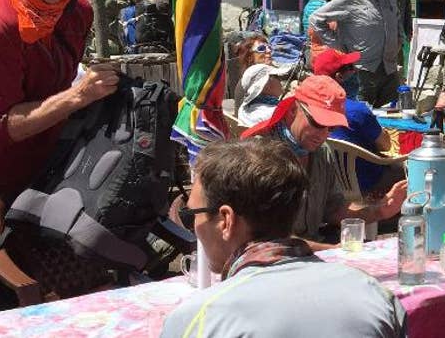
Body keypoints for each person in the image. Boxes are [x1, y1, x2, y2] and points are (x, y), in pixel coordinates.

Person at [160, 139, 407, 337]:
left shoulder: (199, 319)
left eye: (190, 213)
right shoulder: (373, 294)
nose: (193, 224)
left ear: (226, 220)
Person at [0, 0, 121, 206]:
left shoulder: (77, 9)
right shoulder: (3, 23)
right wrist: (79, 95)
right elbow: (3, 128)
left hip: (50, 168)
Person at [242, 75, 407, 249]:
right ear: (292, 111)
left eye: (332, 128)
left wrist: (380, 210)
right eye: (318, 123)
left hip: (313, 250)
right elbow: (269, 239)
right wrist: (333, 251)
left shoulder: (322, 152)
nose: (324, 134)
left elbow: (334, 209)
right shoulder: (260, 153)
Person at [311, 0, 402, 107]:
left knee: (391, 117)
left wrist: (399, 38)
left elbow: (397, 19)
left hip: (389, 69)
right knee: (361, 116)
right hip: (361, 71)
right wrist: (340, 46)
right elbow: (316, 19)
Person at [314, 49, 402, 195]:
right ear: (339, 77)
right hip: (366, 181)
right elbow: (386, 146)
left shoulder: (309, 107)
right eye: (350, 68)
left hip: (326, 184)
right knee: (409, 171)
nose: (355, 71)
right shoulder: (357, 111)